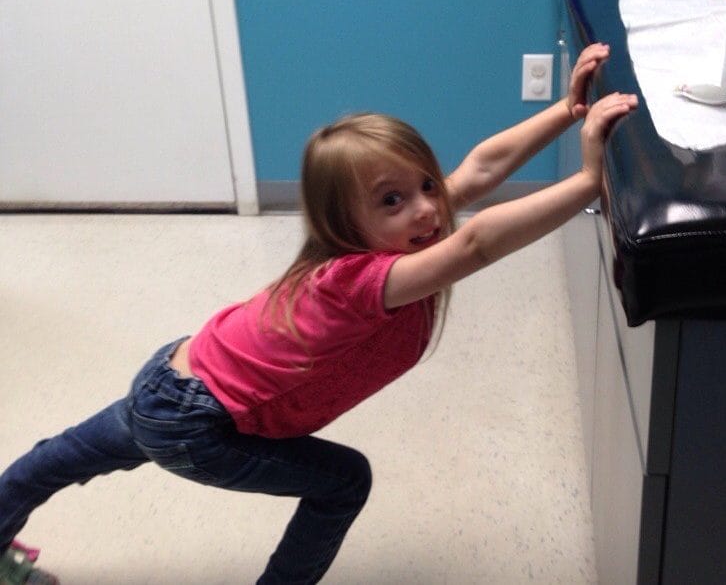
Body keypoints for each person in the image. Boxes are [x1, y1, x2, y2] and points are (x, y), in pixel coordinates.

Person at [0, 43, 637, 585]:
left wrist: (566, 109)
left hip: (171, 376)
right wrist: (585, 182)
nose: (426, 209)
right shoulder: (361, 279)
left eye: (423, 187)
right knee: (344, 481)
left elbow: (479, 168)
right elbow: (475, 244)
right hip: (197, 421)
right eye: (392, 200)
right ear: (345, 223)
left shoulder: (393, 233)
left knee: (60, 457)